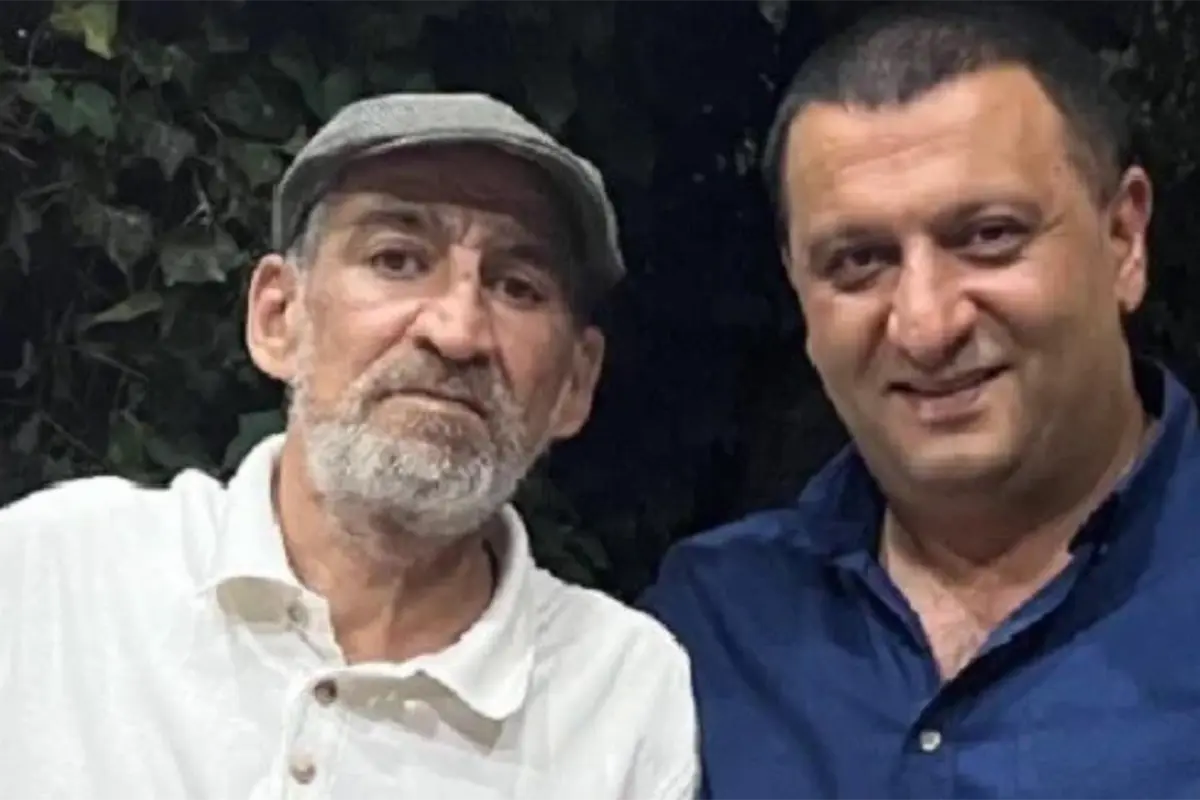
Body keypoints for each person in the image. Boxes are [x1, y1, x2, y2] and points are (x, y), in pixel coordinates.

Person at [0, 92, 698, 799]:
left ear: (575, 383)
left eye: (518, 287)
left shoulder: (620, 693)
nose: (457, 331)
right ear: (278, 316)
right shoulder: (59, 573)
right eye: (397, 259)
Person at [643, 4, 1200, 798]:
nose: (926, 325)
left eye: (989, 236)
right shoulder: (710, 625)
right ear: (799, 290)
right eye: (859, 261)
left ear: (1124, 240)